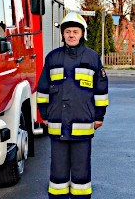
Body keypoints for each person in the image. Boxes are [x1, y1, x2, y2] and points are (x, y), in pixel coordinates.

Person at [36, 12, 109, 198]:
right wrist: (44, 115)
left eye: (75, 31)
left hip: (83, 124)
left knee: (81, 170)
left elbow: (101, 90)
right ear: (62, 34)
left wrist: (99, 116)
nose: (71, 35)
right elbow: (43, 89)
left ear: (82, 33)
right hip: (57, 123)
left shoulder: (93, 58)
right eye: (67, 31)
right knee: (58, 171)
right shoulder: (52, 58)